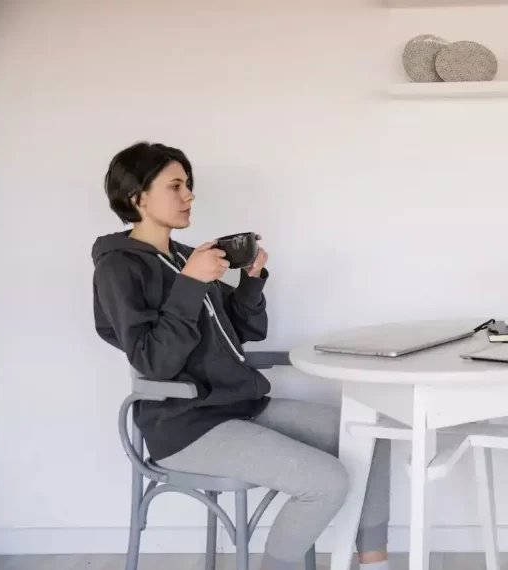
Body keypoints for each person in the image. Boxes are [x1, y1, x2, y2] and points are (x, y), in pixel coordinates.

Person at [92, 142, 391, 570]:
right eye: (175, 185)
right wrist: (192, 283)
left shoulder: (183, 256)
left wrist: (250, 281)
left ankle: (375, 561)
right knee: (326, 481)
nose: (189, 195)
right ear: (137, 197)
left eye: (188, 185)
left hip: (239, 405)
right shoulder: (119, 267)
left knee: (372, 436)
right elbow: (152, 360)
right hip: (184, 425)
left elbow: (244, 329)